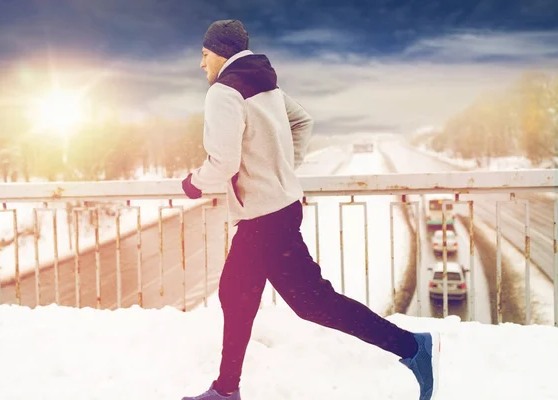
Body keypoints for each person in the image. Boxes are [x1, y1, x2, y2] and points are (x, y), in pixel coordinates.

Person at [180, 19, 441, 400]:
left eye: (204, 55)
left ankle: (412, 347)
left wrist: (192, 183)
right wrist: (284, 165)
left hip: (264, 219)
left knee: (312, 302)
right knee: (236, 294)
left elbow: (223, 162)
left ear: (220, 51)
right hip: (277, 211)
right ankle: (226, 388)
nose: (201, 64)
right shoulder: (264, 84)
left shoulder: (223, 92)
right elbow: (303, 120)